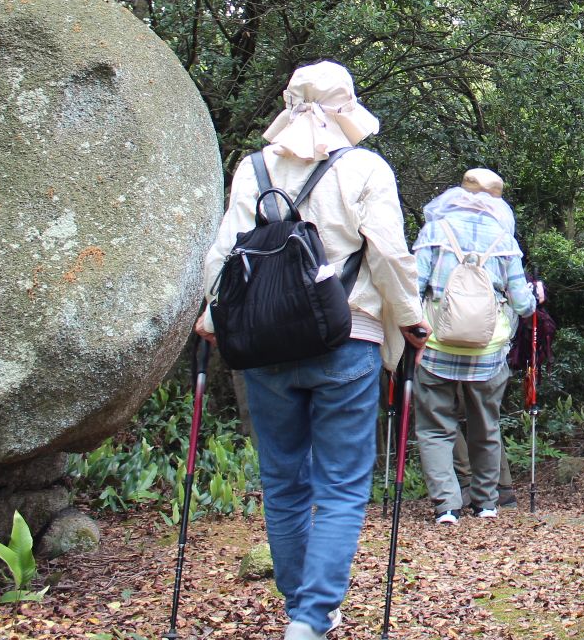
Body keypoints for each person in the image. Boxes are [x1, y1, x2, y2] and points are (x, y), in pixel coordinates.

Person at [196, 61, 428, 640]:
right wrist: (413, 322)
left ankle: (300, 605)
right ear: (346, 107)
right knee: (344, 485)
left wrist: (209, 318)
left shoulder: (252, 170)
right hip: (346, 340)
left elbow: (225, 253)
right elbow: (390, 258)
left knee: (283, 482)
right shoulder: (367, 169)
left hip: (267, 343)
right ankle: (311, 615)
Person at [413, 167, 540, 524]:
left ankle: (447, 506)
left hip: (436, 347)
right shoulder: (503, 239)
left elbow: (413, 287)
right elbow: (522, 304)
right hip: (488, 350)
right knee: (486, 425)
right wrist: (534, 298)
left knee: (436, 427)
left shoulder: (435, 231)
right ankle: (486, 503)